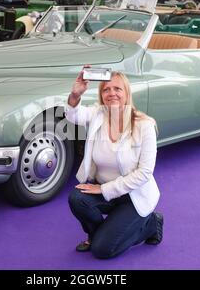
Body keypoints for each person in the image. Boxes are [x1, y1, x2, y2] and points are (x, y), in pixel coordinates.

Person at [66, 68, 163, 259]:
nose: (112, 94)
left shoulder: (145, 125)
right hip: (104, 190)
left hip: (133, 196)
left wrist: (104, 190)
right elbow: (72, 115)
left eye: (118, 89)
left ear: (127, 93)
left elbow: (144, 173)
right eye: (106, 89)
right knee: (77, 198)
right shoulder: (97, 114)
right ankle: (96, 235)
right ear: (101, 95)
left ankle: (151, 223)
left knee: (103, 250)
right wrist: (75, 94)